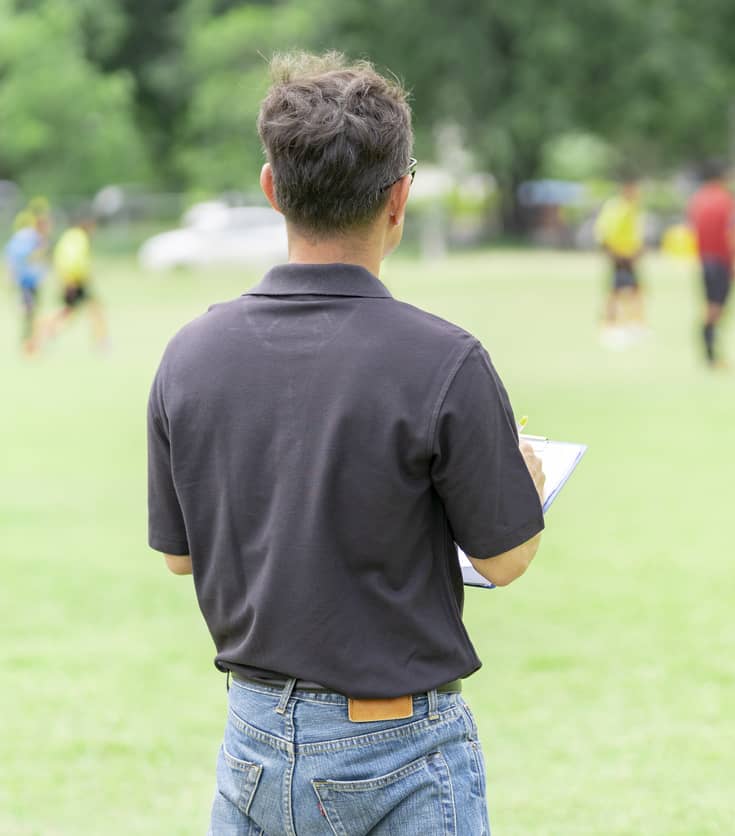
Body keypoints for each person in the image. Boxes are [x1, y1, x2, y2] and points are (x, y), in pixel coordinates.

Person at [147, 51, 546, 834]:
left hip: (252, 741)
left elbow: (179, 555)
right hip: (399, 748)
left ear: (271, 188)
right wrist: (523, 486)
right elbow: (505, 558)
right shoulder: (444, 359)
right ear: (400, 196)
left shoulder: (190, 352)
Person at [688, 161, 735, 368]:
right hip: (721, 260)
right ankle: (711, 353)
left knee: (711, 306)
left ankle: (711, 352)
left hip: (704, 259)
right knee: (717, 308)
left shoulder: (697, 199)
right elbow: (730, 234)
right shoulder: (725, 200)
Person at [41, 214, 109, 352]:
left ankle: (47, 330)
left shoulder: (68, 236)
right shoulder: (79, 238)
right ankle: (101, 342)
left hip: (69, 280)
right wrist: (78, 278)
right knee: (93, 309)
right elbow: (75, 261)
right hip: (76, 281)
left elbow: (60, 258)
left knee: (72, 311)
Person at [594, 176, 646, 347]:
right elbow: (605, 233)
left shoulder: (631, 207)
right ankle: (609, 326)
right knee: (615, 292)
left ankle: (633, 324)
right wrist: (615, 253)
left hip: (629, 255)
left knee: (634, 291)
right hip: (620, 256)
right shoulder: (616, 208)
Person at [4, 208, 51, 356]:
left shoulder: (30, 237)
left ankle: (30, 341)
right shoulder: (32, 238)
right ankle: (29, 343)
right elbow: (23, 257)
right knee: (29, 311)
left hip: (30, 281)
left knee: (31, 311)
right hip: (25, 281)